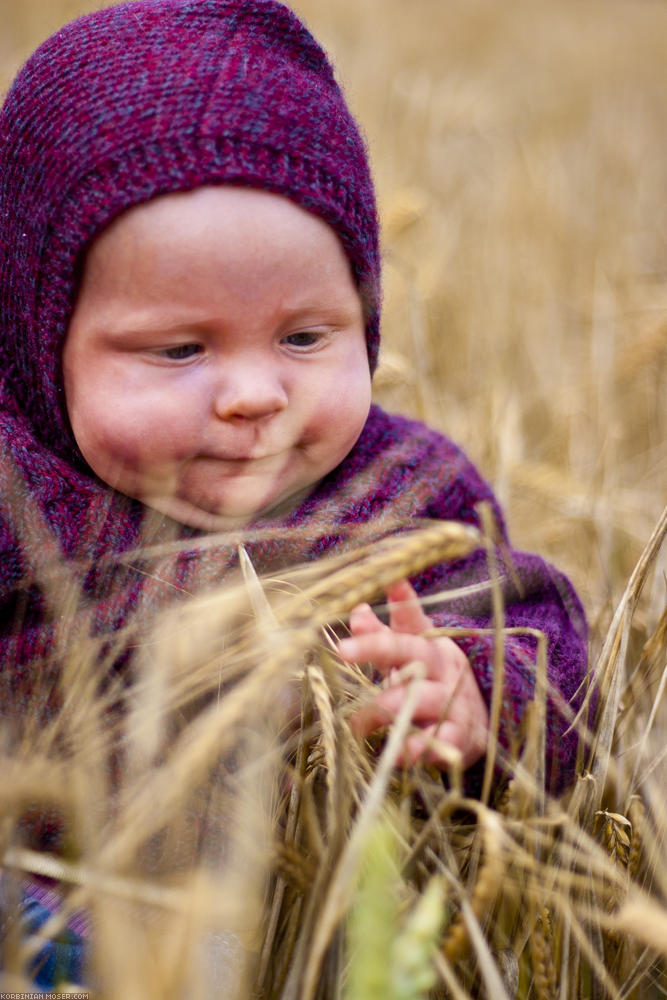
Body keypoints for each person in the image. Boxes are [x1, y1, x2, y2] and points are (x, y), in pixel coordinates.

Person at [0, 0, 588, 987]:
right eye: (179, 349)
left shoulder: (403, 492)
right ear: (32, 332)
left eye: (306, 337)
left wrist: (478, 689)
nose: (253, 394)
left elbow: (543, 634)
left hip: (311, 932)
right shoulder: (15, 498)